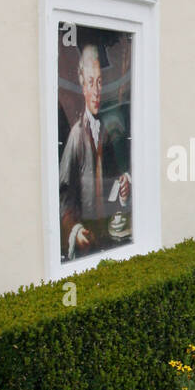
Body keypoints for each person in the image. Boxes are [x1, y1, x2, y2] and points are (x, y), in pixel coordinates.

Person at [59, 44, 131, 259]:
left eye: (100, 82)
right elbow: (63, 196)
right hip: (88, 245)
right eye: (91, 83)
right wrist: (75, 230)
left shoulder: (106, 132)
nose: (97, 90)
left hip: (108, 240)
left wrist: (123, 188)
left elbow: (113, 182)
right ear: (83, 86)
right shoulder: (76, 136)